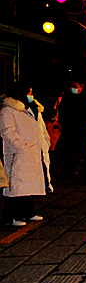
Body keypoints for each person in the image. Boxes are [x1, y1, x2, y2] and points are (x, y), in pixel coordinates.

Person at [0, 82, 52, 226]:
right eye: (29, 92)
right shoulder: (8, 110)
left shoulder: (29, 109)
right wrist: (20, 146)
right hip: (17, 153)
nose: (31, 95)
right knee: (15, 187)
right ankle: (12, 217)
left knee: (28, 185)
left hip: (30, 152)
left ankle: (28, 212)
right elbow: (7, 131)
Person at [55, 81, 86, 184]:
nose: (73, 88)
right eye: (71, 86)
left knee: (84, 152)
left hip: (81, 129)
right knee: (60, 149)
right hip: (68, 128)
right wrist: (62, 121)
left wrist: (85, 123)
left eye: (75, 86)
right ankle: (72, 169)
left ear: (81, 87)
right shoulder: (67, 97)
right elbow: (62, 111)